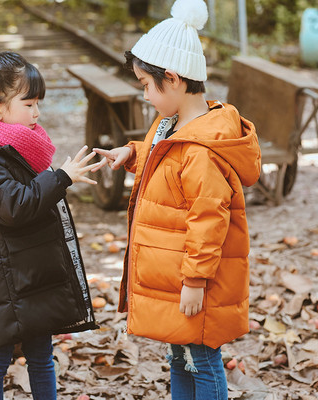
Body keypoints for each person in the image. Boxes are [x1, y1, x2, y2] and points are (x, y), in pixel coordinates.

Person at [92, 0, 261, 399]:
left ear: (173, 78)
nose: (145, 94)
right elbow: (164, 159)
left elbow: (208, 217)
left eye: (146, 85)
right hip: (175, 275)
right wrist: (132, 153)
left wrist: (196, 281)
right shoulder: (171, 124)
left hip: (193, 278)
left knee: (201, 358)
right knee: (178, 354)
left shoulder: (202, 148)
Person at [0, 33, 99, 400]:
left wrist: (57, 178)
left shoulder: (16, 152)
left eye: (38, 103)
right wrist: (61, 177)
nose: (37, 113)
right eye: (30, 104)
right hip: (4, 284)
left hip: (28, 278)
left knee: (42, 355)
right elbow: (18, 206)